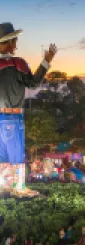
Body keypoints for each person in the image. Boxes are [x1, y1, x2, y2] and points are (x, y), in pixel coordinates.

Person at [0, 22, 57, 165]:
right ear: (9, 42)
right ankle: (18, 186)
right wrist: (47, 61)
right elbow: (34, 82)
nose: (16, 44)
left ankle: (4, 187)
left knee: (2, 161)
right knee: (16, 159)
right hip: (11, 116)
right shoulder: (16, 64)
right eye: (15, 40)